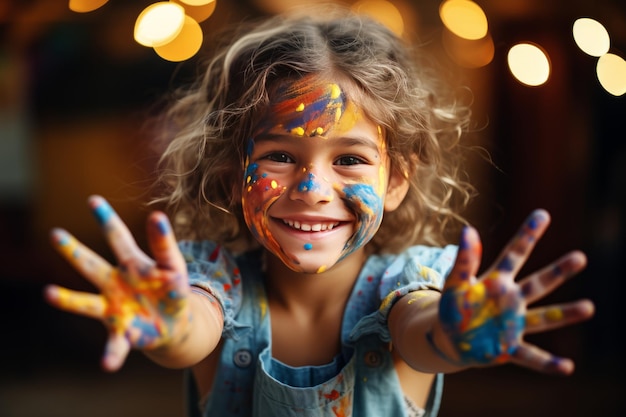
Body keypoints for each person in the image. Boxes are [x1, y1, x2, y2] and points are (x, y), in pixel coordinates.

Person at [44, 6, 595, 417]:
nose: (312, 188)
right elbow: (193, 327)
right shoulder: (214, 281)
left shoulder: (410, 288)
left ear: (397, 180)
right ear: (235, 175)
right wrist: (168, 326)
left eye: (350, 159)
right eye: (280, 156)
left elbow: (423, 331)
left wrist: (457, 335)